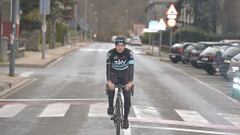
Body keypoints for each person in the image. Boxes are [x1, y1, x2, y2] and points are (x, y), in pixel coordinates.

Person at [106, 36, 134, 129]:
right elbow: (108, 68)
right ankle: (110, 106)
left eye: (122, 45)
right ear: (115, 46)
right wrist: (109, 81)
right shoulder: (110, 53)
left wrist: (130, 82)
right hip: (114, 74)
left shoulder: (129, 53)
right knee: (111, 87)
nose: (120, 47)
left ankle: (125, 119)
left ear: (124, 46)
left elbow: (131, 68)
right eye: (118, 45)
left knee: (127, 97)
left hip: (125, 75)